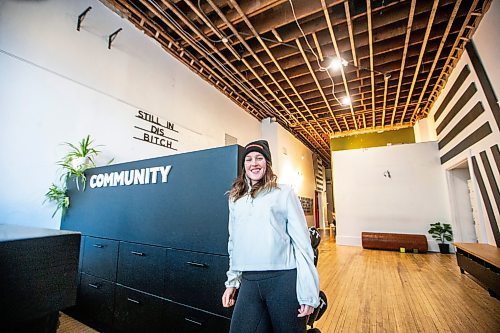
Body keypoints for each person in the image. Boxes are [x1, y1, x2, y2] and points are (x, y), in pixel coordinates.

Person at [221, 140, 320, 333]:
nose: (254, 163)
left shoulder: (284, 193)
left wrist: (308, 292)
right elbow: (234, 242)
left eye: (259, 158)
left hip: (282, 280)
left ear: (267, 163)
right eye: (248, 159)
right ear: (244, 166)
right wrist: (232, 282)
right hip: (249, 282)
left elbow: (302, 245)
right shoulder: (236, 199)